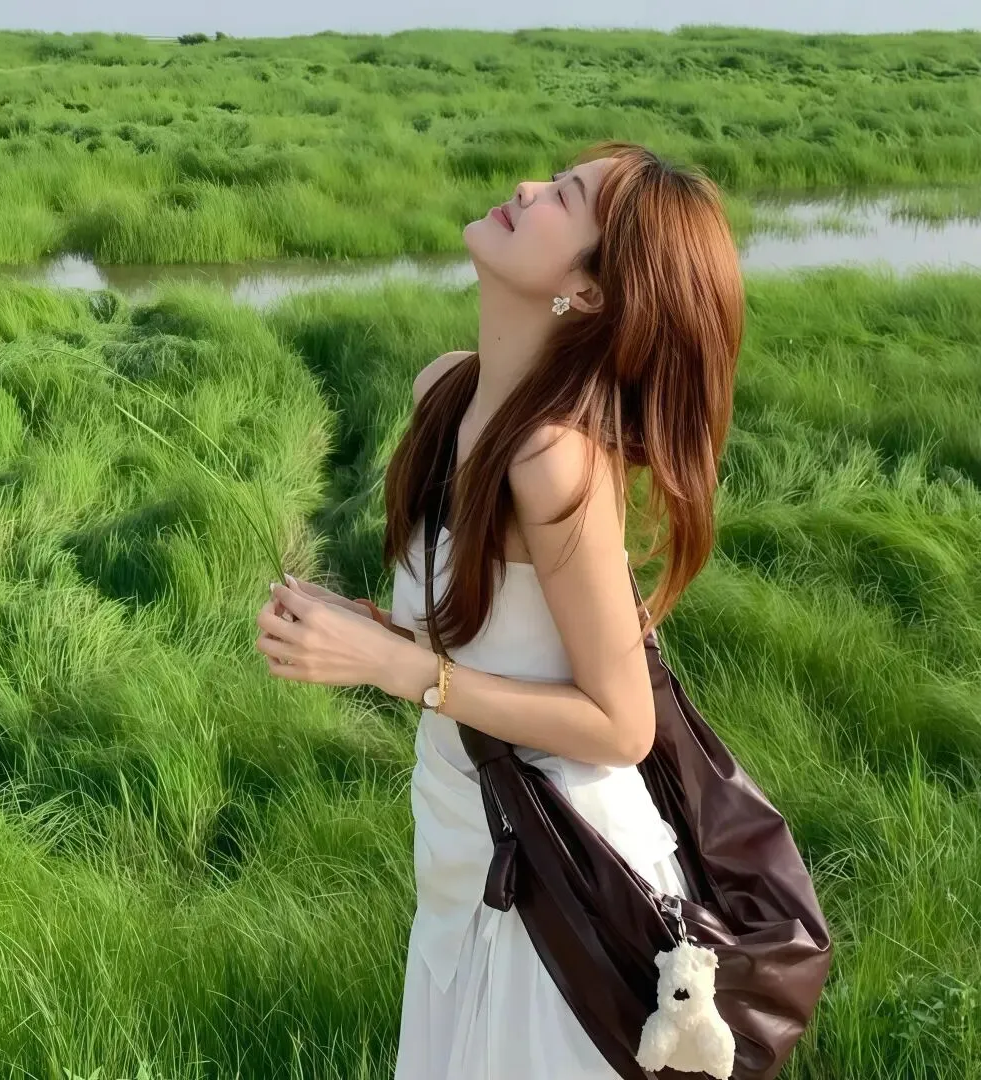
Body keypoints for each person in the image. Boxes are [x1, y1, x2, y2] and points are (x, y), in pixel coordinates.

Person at [254, 140, 746, 1079]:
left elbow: (622, 724)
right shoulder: (448, 393)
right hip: (465, 853)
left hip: (559, 878)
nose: (528, 188)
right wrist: (367, 635)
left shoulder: (552, 457)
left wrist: (402, 668)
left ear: (588, 291)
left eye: (565, 197)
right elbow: (496, 642)